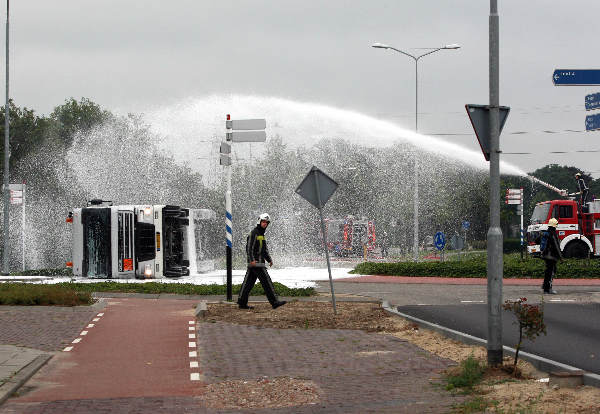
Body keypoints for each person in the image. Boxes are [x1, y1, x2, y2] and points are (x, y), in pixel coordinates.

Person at [237, 213, 287, 310]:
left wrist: (269, 259)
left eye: (266, 223)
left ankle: (242, 303)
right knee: (267, 282)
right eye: (263, 222)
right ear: (259, 222)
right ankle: (274, 302)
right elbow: (249, 248)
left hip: (257, 263)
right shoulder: (254, 233)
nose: (265, 224)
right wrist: (251, 260)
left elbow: (263, 249)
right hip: (256, 263)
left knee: (248, 283)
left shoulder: (261, 234)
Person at [540, 218, 562, 294]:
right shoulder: (553, 234)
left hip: (546, 256)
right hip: (552, 256)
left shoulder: (545, 233)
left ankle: (545, 287)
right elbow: (556, 246)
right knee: (551, 272)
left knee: (547, 272)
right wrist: (561, 257)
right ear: (555, 226)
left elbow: (537, 240)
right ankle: (548, 289)